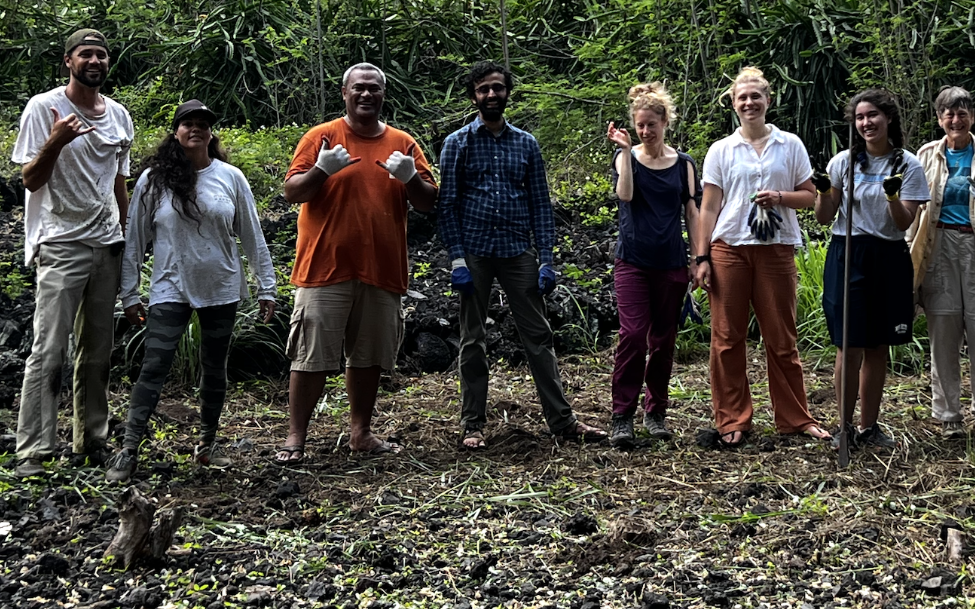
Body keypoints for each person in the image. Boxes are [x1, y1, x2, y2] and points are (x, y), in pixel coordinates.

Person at [275, 63, 438, 464]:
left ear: (384, 94)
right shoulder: (322, 136)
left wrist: (409, 179)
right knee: (310, 357)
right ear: (344, 92)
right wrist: (322, 169)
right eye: (359, 88)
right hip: (324, 267)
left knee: (368, 357)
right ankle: (296, 438)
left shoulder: (402, 142)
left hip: (382, 269)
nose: (367, 95)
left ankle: (361, 433)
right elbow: (292, 191)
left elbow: (430, 201)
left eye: (374, 89)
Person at [106, 100, 277, 482]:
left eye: (202, 124)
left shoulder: (230, 177)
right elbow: (135, 238)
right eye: (188, 124)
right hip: (169, 286)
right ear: (176, 132)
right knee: (154, 366)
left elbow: (251, 235)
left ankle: (207, 444)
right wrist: (129, 293)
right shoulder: (154, 179)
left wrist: (267, 285)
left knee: (214, 367)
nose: (195, 129)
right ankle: (129, 448)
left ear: (211, 133)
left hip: (221, 287)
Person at [439, 60, 606, 449]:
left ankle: (562, 422)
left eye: (497, 87)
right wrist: (457, 259)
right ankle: (473, 425)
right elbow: (447, 205)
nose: (491, 95)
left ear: (507, 92)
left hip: (518, 252)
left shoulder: (525, 144)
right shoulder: (457, 143)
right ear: (474, 95)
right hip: (476, 253)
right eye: (483, 89)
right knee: (472, 339)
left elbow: (540, 205)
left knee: (538, 337)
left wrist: (546, 258)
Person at [11, 28, 134, 478]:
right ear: (69, 60)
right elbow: (29, 179)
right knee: (49, 347)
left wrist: (126, 233)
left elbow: (119, 181)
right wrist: (57, 140)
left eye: (101, 55)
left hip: (106, 242)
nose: (95, 61)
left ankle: (91, 440)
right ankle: (34, 449)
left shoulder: (119, 115)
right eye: (86, 54)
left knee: (97, 349)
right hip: (60, 241)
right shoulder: (45, 108)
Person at [692, 66, 832, 447]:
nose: (750, 103)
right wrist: (700, 257)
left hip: (776, 249)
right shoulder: (721, 150)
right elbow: (708, 208)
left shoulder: (790, 145)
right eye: (743, 98)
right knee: (726, 338)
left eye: (756, 96)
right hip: (729, 249)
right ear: (733, 104)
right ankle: (733, 420)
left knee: (782, 338)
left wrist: (780, 197)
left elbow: (809, 196)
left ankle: (794, 418)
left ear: (768, 101)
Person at [814, 89, 930, 450]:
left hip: (889, 254)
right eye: (860, 118)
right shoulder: (843, 162)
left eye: (873, 116)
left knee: (878, 345)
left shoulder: (907, 164)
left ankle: (869, 426)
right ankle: (843, 427)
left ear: (888, 118)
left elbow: (903, 222)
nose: (867, 123)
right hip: (848, 253)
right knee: (849, 344)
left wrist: (893, 196)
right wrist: (822, 191)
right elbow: (824, 216)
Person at [906, 86, 975, 438]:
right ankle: (948, 415)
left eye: (962, 112)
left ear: (972, 117)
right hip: (936, 249)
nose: (955, 120)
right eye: (948, 114)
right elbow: (913, 211)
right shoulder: (925, 155)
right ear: (939, 119)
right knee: (944, 333)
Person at [605, 82, 701, 447]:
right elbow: (625, 195)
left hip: (671, 262)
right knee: (632, 335)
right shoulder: (625, 158)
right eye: (640, 125)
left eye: (651, 125)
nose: (646, 131)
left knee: (663, 340)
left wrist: (697, 257)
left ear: (665, 122)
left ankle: (656, 411)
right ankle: (622, 415)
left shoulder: (684, 164)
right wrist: (627, 152)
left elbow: (691, 212)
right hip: (632, 260)